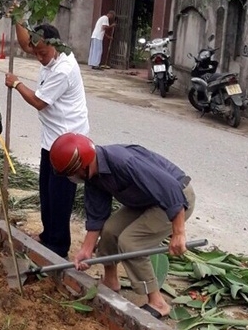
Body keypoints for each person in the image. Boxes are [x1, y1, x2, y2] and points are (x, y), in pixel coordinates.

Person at [49, 133, 195, 320]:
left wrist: (179, 232)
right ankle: (111, 281)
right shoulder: (93, 176)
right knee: (110, 231)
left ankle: (158, 302)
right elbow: (97, 216)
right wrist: (86, 250)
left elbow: (170, 188)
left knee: (131, 242)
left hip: (177, 200)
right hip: (147, 200)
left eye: (72, 173)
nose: (72, 178)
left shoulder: (124, 162)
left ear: (83, 166)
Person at [4, 22, 89, 258]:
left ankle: (58, 246)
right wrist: (18, 18)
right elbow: (25, 44)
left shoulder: (64, 68)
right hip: (51, 139)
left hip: (70, 142)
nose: (39, 58)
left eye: (43, 53)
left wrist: (17, 83)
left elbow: (40, 102)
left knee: (60, 195)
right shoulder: (47, 53)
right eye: (37, 53)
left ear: (55, 46)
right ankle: (47, 234)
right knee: (46, 190)